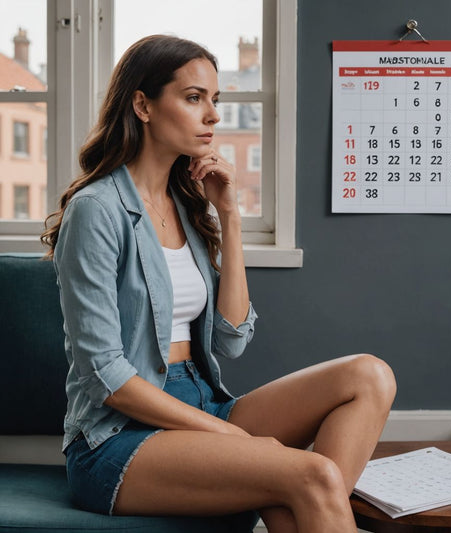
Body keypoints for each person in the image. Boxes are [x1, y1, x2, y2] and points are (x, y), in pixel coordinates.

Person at [41, 34, 396, 533]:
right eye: (193, 98)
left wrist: (228, 213)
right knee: (313, 475)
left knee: (370, 375)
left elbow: (230, 337)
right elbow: (106, 376)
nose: (212, 116)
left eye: (215, 100)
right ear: (142, 105)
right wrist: (239, 440)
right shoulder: (97, 210)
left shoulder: (186, 206)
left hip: (204, 401)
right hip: (120, 438)